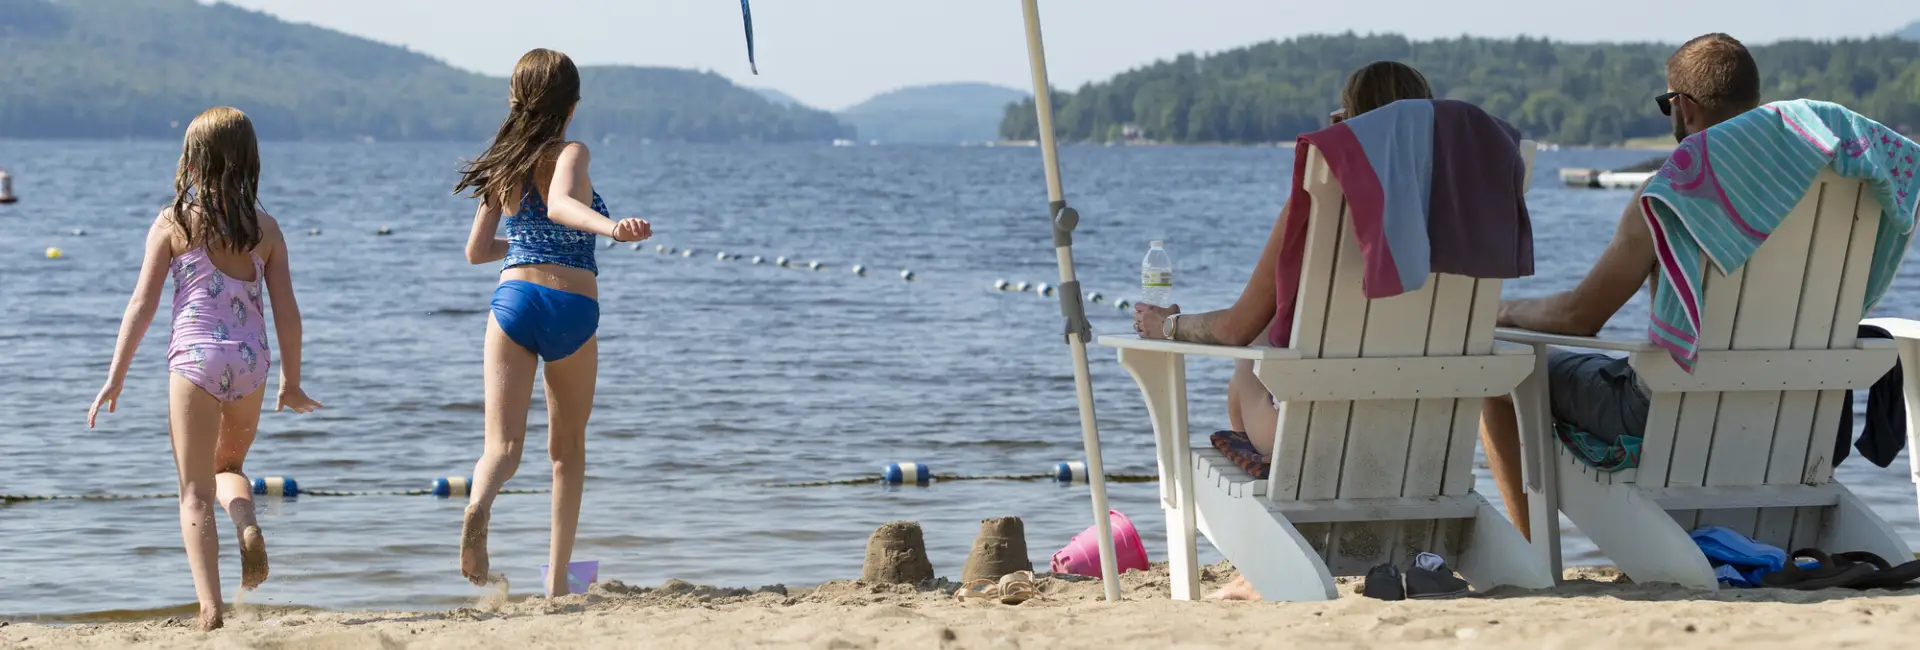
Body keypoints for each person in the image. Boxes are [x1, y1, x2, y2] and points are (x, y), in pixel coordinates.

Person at [1130, 61, 1435, 601]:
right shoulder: (1458, 210)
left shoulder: (1316, 203)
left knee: (1248, 361)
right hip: (1424, 440)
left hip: (1311, 443)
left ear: (1349, 122)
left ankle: (1262, 566)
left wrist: (1167, 324)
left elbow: (1232, 328)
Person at [1479, 33, 1762, 541]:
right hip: (1781, 413)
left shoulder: (1664, 197)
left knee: (1499, 368)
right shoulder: (1807, 190)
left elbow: (1579, 319)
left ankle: (1528, 546)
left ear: (1686, 108)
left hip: (1667, 414)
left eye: (1666, 103)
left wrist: (1502, 313)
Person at [87, 106, 323, 631]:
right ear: (248, 161)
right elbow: (288, 311)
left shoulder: (174, 222)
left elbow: (141, 305)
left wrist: (115, 374)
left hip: (195, 361)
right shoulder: (267, 229)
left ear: (191, 163)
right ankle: (245, 521)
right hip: (250, 363)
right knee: (228, 470)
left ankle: (211, 609)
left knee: (193, 490)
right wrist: (291, 379)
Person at [453, 48, 652, 598]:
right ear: (572, 105)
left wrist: (523, 241)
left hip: (512, 301)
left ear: (515, 100)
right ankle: (558, 585)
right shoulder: (571, 150)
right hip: (569, 305)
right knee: (566, 451)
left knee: (502, 448)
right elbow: (562, 204)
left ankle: (477, 505)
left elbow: (474, 252)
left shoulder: (503, 160)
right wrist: (610, 229)